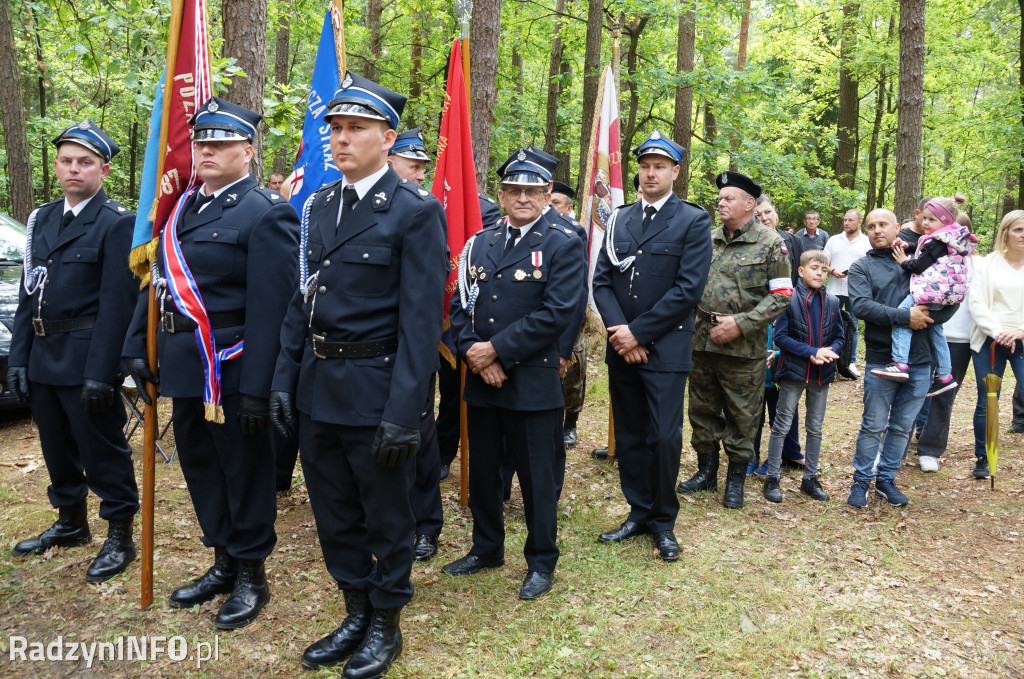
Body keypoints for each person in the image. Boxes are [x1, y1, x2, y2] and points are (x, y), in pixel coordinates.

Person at [269, 73, 445, 677]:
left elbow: (422, 324)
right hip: (319, 387)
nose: (340, 140)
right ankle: (354, 609)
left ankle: (387, 622)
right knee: (334, 511)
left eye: (355, 129)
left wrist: (405, 413)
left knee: (387, 515)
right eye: (335, 129)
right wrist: (282, 382)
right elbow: (303, 302)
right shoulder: (319, 204)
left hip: (377, 388)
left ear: (386, 138)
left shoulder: (415, 211)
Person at [123, 98, 299, 628]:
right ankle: (221, 559)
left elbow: (275, 309)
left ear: (248, 151)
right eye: (201, 142)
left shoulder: (266, 212)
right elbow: (157, 284)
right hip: (182, 364)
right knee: (200, 465)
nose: (206, 151)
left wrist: (259, 387)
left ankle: (251, 573)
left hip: (234, 369)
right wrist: (136, 343)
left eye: (220, 143)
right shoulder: (180, 207)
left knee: (243, 470)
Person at [442, 147, 584, 599]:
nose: (523, 197)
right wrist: (472, 354)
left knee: (537, 476)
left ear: (546, 194)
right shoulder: (479, 243)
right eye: (514, 190)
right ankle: (487, 548)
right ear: (501, 195)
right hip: (482, 380)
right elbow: (459, 305)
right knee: (483, 470)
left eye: (532, 190)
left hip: (532, 380)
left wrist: (497, 352)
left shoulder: (563, 243)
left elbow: (557, 313)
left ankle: (541, 560)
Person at [7, 120, 139, 583]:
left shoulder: (116, 223)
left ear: (103, 169)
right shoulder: (41, 218)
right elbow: (29, 294)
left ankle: (120, 532)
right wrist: (19, 357)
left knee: (102, 447)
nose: (73, 169)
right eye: (66, 161)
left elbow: (117, 305)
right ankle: (70, 522)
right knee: (56, 446)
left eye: (84, 162)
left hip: (87, 356)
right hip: (44, 353)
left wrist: (103, 372)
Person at [592, 131, 711, 559]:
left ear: (675, 172)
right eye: (644, 166)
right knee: (630, 433)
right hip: (622, 347)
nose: (650, 173)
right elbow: (601, 282)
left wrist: (638, 333)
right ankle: (638, 511)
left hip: (664, 350)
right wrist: (621, 332)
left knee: (662, 437)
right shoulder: (620, 218)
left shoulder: (693, 220)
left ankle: (663, 521)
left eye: (659, 166)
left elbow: (688, 289)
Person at [680, 170, 791, 509]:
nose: (721, 202)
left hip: (744, 347)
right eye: (720, 197)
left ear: (749, 204)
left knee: (744, 415)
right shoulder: (705, 239)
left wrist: (742, 324)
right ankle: (707, 472)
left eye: (728, 198)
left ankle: (736, 480)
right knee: (702, 409)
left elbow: (782, 295)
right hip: (701, 341)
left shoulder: (772, 243)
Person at [845, 209, 953, 508]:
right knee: (873, 424)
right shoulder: (861, 267)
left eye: (883, 224)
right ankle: (861, 481)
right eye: (871, 226)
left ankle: (886, 479)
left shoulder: (920, 262)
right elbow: (862, 307)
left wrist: (932, 316)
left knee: (903, 426)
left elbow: (948, 295)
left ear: (897, 228)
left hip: (921, 360)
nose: (877, 230)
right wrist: (906, 317)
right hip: (882, 360)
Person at [385, 127, 444, 562]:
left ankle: (426, 525)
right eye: (413, 164)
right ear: (389, 159)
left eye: (424, 166)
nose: (420, 172)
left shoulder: (424, 209)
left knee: (420, 440)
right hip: (364, 355)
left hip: (413, 350)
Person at [871, 198, 976, 399]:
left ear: (946, 221)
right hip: (944, 295)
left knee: (903, 316)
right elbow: (926, 251)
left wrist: (903, 261)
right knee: (936, 330)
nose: (926, 223)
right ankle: (945, 374)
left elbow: (919, 265)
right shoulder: (949, 238)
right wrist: (908, 245)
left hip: (930, 292)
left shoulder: (939, 241)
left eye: (932, 220)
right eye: (925, 218)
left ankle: (900, 362)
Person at [762, 249, 844, 503]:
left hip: (822, 373)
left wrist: (831, 352)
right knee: (782, 425)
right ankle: (772, 477)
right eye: (814, 268)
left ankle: (810, 479)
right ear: (801, 271)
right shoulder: (789, 300)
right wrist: (811, 352)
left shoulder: (831, 302)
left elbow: (841, 336)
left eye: (823, 269)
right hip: (793, 372)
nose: (819, 273)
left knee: (816, 427)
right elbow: (781, 337)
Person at [968, 209, 1024, 480]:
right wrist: (999, 331)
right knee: (988, 401)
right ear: (1005, 233)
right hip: (991, 340)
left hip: (1023, 340)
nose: (1023, 235)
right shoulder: (988, 264)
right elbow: (976, 303)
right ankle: (984, 456)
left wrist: (1019, 331)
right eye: (1018, 230)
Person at [915, 247, 977, 472]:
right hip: (925, 330)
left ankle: (930, 450)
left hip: (960, 338)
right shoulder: (926, 258)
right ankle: (896, 445)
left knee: (944, 396)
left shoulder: (977, 265)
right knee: (914, 390)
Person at [822, 209, 871, 378]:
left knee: (853, 326)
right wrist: (832, 270)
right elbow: (823, 262)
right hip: (834, 290)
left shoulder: (866, 242)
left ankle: (850, 362)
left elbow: (870, 264)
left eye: (851, 220)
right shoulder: (834, 240)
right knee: (828, 324)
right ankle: (829, 361)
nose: (847, 223)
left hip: (855, 291)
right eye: (845, 220)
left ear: (859, 222)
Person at [755, 194, 800, 284]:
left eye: (768, 212)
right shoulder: (747, 244)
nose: (764, 218)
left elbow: (801, 276)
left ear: (774, 210)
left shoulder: (794, 241)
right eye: (758, 215)